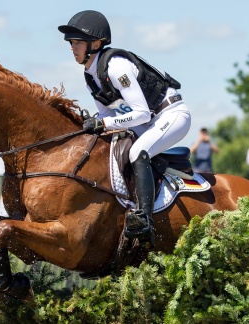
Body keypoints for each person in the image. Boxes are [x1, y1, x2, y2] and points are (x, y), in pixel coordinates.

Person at [58, 10, 191, 246]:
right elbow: (107, 112)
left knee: (137, 153)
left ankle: (144, 219)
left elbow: (140, 113)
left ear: (96, 43)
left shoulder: (116, 67)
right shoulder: (91, 74)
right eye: (71, 43)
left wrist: (104, 123)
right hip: (150, 120)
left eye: (77, 42)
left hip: (171, 114)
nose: (72, 47)